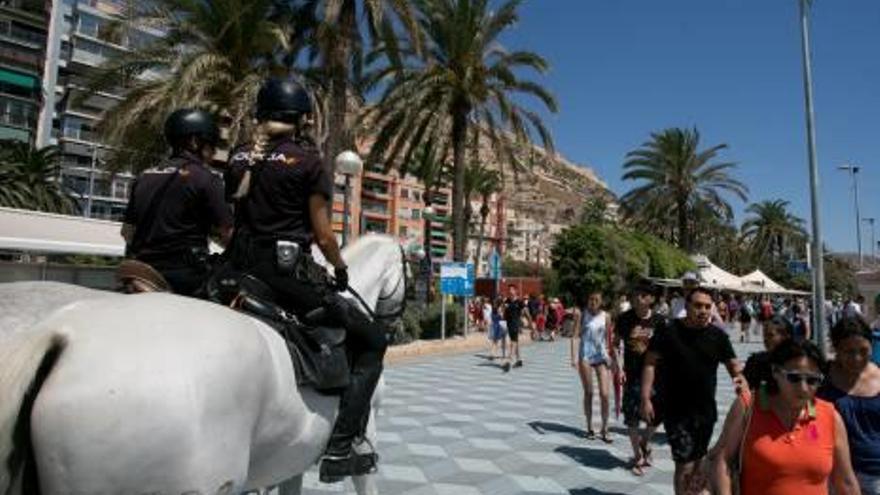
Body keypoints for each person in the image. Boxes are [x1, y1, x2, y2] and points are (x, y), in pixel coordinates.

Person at [224, 77, 386, 482]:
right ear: (303, 119)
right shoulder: (308, 162)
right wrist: (340, 269)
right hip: (285, 275)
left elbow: (228, 223)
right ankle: (340, 446)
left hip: (233, 270)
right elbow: (325, 236)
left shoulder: (239, 158)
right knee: (372, 341)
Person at [712, 339, 861, 495]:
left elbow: (846, 481)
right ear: (776, 372)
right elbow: (723, 461)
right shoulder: (748, 406)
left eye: (812, 380)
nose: (803, 388)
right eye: (794, 378)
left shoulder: (830, 416)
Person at [121, 108, 233, 296]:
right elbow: (228, 234)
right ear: (194, 141)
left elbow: (127, 232)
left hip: (142, 272)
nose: (214, 152)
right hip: (187, 276)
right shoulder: (206, 178)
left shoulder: (144, 176)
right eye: (211, 144)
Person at [641, 286, 741, 494]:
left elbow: (734, 368)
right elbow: (650, 363)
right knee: (684, 465)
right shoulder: (668, 331)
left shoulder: (718, 337)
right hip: (676, 412)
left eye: (707, 306)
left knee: (698, 463)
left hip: (705, 413)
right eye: (698, 306)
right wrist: (645, 397)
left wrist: (745, 390)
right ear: (687, 307)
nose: (703, 310)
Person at [818, 316, 880, 494]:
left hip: (876, 476)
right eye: (848, 351)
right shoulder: (820, 378)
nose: (857, 358)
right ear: (836, 349)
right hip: (834, 475)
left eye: (863, 350)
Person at [613, 281, 666, 476]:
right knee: (632, 416)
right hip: (632, 374)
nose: (637, 298)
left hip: (656, 376)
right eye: (635, 294)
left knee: (658, 414)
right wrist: (619, 367)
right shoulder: (624, 319)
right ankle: (637, 456)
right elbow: (616, 344)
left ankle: (646, 440)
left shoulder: (660, 321)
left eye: (643, 295)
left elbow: (667, 349)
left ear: (651, 299)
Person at [571, 289, 613, 443]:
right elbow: (575, 336)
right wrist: (573, 357)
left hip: (601, 356)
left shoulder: (606, 316)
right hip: (585, 357)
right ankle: (590, 427)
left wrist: (612, 357)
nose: (593, 302)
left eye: (596, 300)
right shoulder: (582, 315)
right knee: (589, 393)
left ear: (601, 301)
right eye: (591, 299)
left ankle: (605, 428)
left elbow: (609, 338)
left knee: (605, 394)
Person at [742, 315, 793, 391]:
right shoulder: (755, 362)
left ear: (786, 337)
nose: (765, 339)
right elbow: (746, 393)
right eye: (764, 335)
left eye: (770, 335)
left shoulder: (797, 362)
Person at [502, 285, 531, 371]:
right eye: (509, 290)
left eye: (511, 290)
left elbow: (527, 312)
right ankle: (519, 360)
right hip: (509, 324)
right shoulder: (507, 301)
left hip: (516, 323)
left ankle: (509, 360)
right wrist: (504, 307)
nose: (510, 291)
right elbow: (504, 312)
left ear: (515, 291)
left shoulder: (519, 302)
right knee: (516, 341)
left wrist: (531, 324)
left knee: (513, 342)